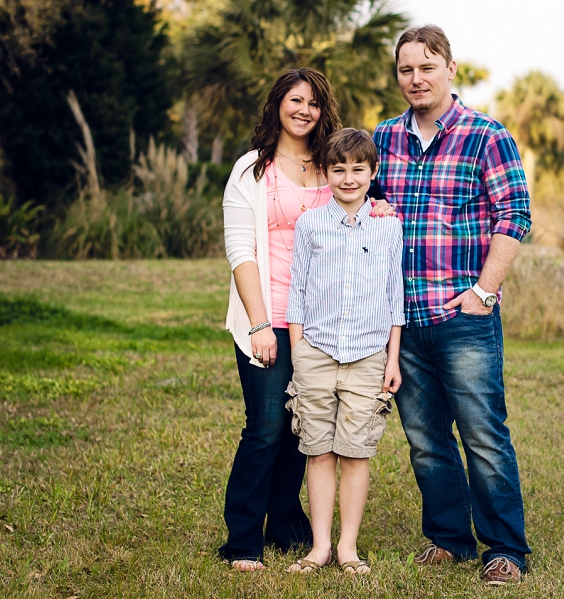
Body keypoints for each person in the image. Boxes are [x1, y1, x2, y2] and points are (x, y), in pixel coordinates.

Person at [371, 25, 532, 585]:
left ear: (450, 68)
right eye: (405, 69)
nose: (416, 78)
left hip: (464, 317)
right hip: (404, 322)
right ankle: (448, 538)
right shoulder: (384, 137)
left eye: (426, 66)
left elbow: (515, 216)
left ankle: (505, 548)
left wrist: (484, 292)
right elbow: (366, 206)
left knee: (484, 435)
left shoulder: (487, 136)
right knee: (426, 440)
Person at [220, 68, 396, 571]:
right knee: (267, 426)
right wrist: (259, 324)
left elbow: (363, 202)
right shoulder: (252, 170)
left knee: (307, 430)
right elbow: (241, 251)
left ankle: (288, 523)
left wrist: (380, 207)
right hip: (268, 313)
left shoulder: (330, 164)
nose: (304, 110)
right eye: (295, 100)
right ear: (278, 104)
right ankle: (244, 541)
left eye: (314, 103)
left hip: (324, 324)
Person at [284, 128, 404, 575]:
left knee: (356, 452)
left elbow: (396, 298)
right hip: (316, 351)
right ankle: (319, 547)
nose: (349, 178)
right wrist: (298, 352)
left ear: (374, 172)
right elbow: (297, 292)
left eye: (358, 169)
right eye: (339, 169)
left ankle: (348, 547)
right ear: (327, 173)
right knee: (319, 451)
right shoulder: (311, 224)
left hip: (369, 354)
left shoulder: (389, 226)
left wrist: (392, 359)